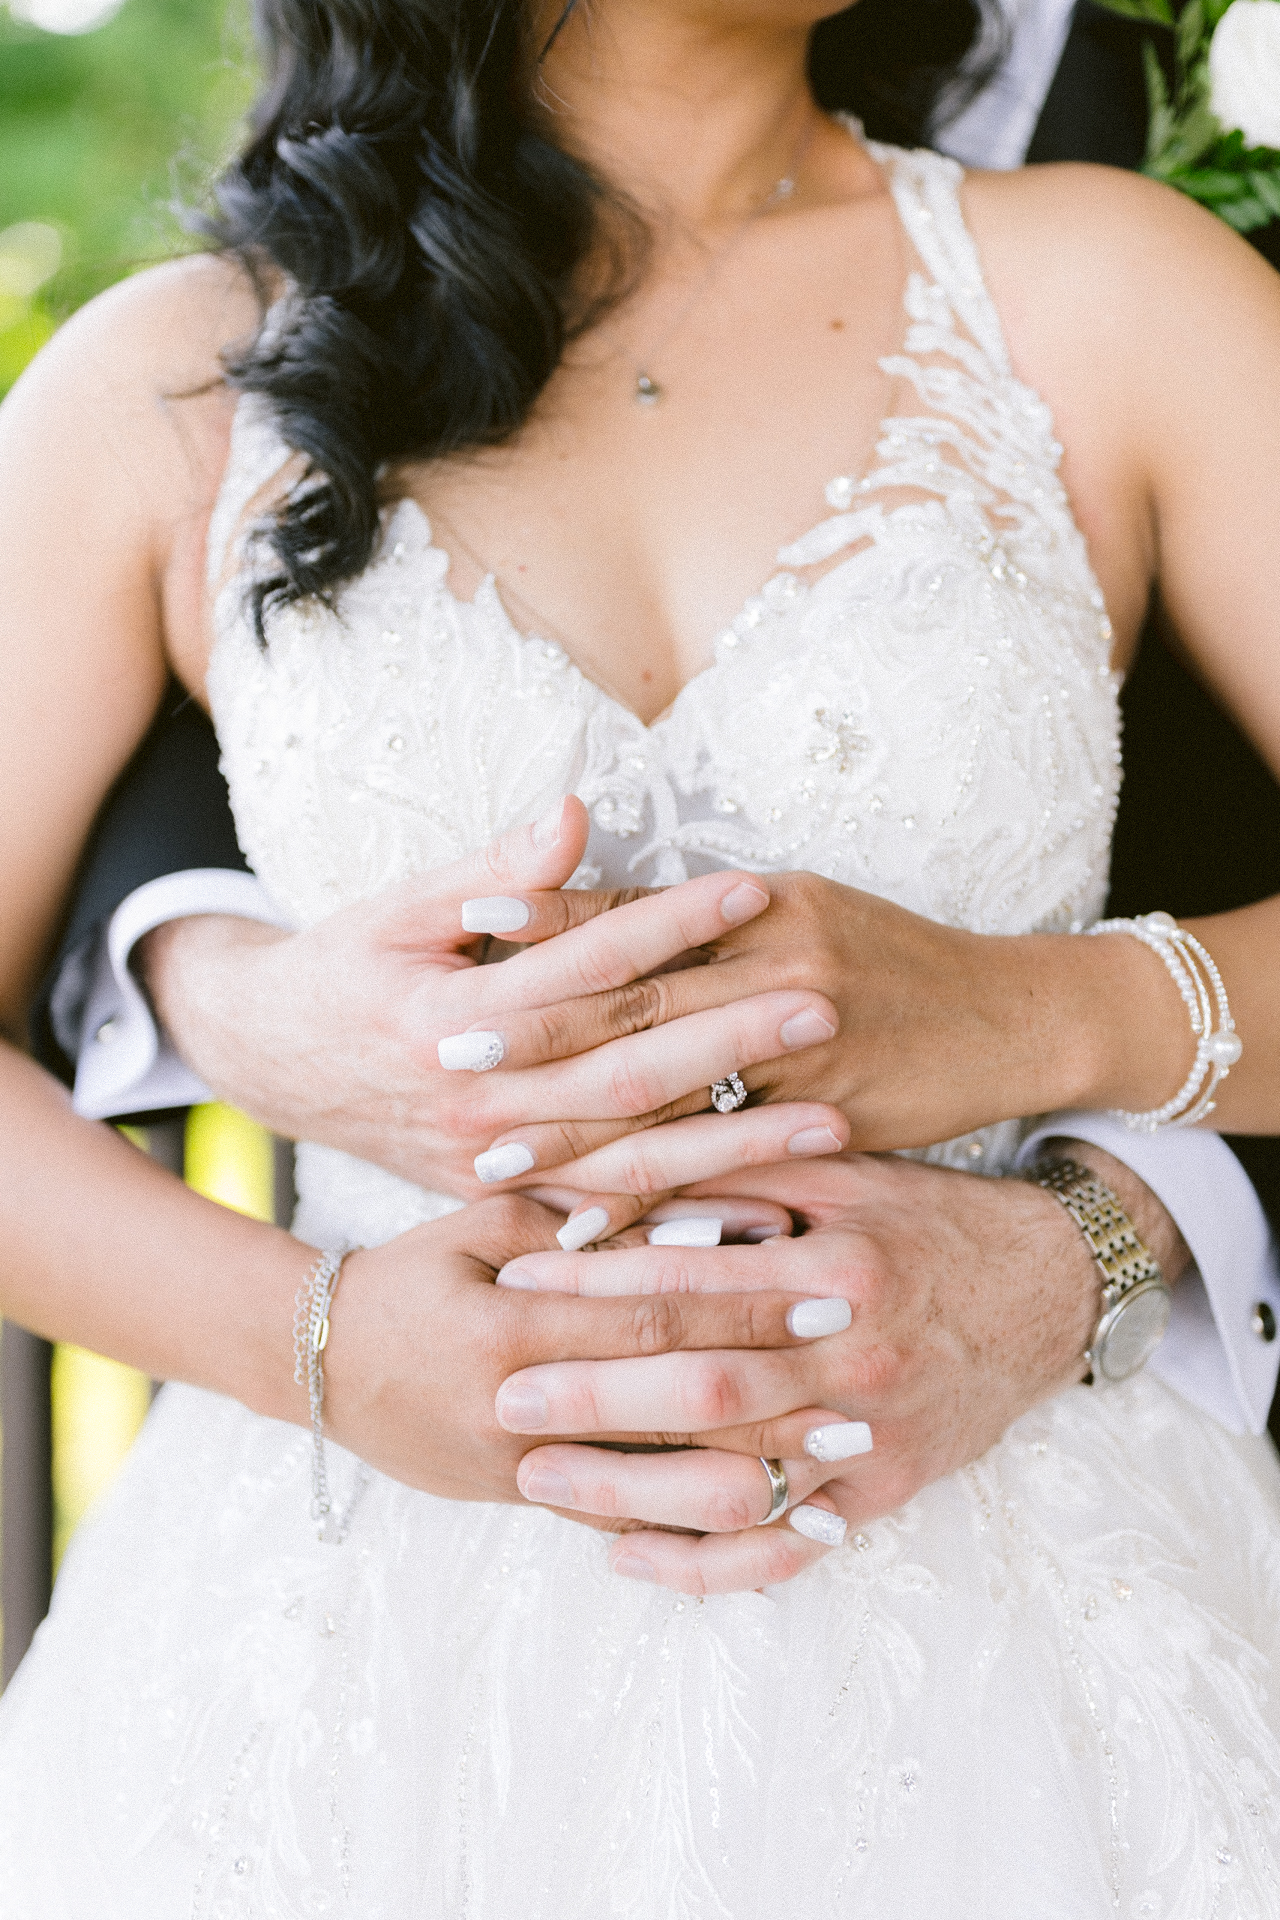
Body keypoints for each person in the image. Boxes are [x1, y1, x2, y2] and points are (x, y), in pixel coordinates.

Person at [2, 0, 1280, 1911]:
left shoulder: (1116, 290)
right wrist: (326, 1349)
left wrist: (1034, 1013)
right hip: (339, 1673)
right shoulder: (167, 387)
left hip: (1040, 1626)